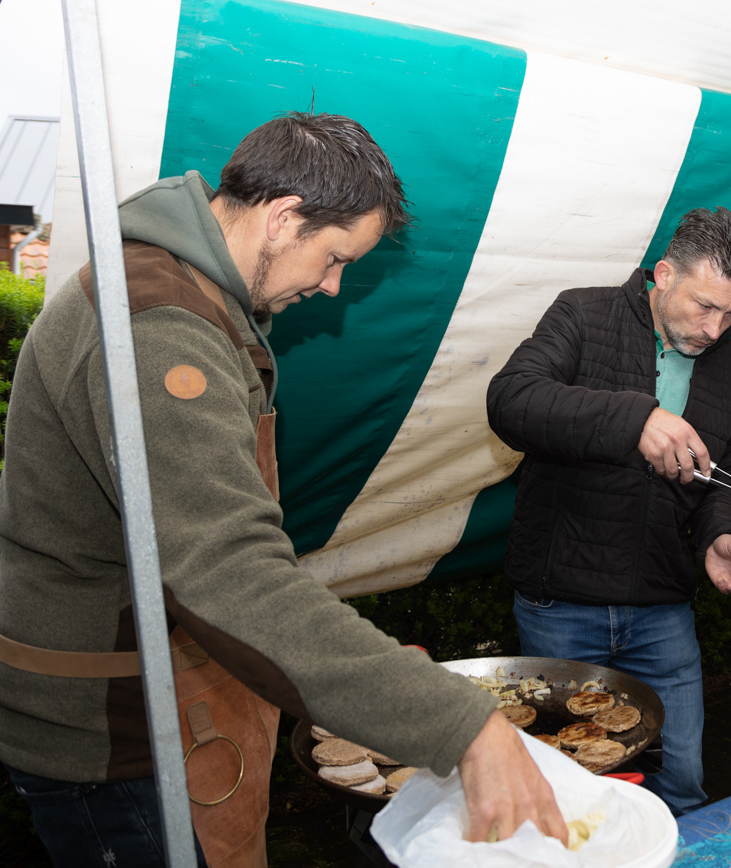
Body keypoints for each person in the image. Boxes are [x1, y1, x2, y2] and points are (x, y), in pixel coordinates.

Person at [0, 113, 564, 866]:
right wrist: (463, 722)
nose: (332, 287)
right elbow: (232, 569)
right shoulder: (164, 325)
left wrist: (366, 667)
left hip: (142, 695)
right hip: (110, 732)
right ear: (282, 218)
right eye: (334, 258)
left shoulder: (182, 287)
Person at [487, 206, 731, 815]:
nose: (715, 329)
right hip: (561, 604)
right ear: (664, 274)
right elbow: (511, 400)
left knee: (684, 782)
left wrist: (720, 533)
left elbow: (729, 472)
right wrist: (635, 418)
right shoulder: (584, 315)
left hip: (663, 610)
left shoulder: (728, 365)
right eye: (704, 305)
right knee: (573, 790)